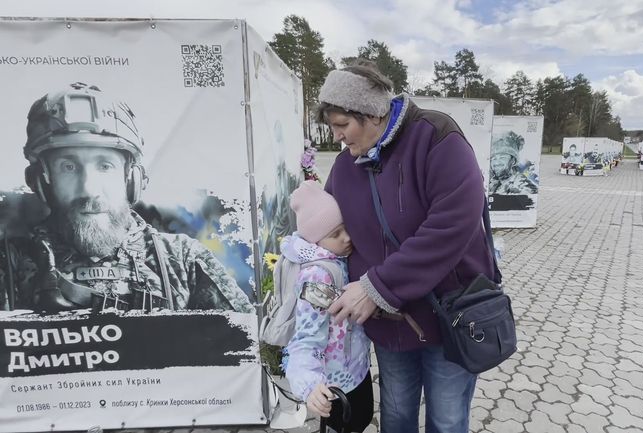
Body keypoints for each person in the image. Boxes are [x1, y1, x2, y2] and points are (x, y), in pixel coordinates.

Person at [317, 61, 496, 433]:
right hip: (390, 324)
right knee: (397, 416)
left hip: (449, 315)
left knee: (446, 420)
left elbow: (451, 226)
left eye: (342, 126)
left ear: (370, 114)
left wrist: (378, 287)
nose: (336, 137)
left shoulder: (436, 138)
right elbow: (327, 228)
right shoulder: (343, 167)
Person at [0, 82, 254, 314]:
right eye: (68, 167)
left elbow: (243, 351)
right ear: (41, 181)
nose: (89, 189)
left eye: (105, 166)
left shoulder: (183, 260)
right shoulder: (8, 265)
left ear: (131, 178)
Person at [282, 180, 372, 433]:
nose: (347, 238)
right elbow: (306, 338)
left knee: (361, 420)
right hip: (335, 384)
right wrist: (310, 385)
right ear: (316, 241)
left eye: (346, 229)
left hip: (355, 369)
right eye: (335, 234)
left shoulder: (339, 259)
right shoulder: (318, 277)